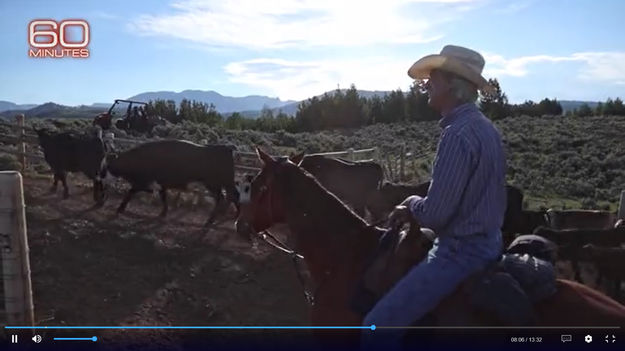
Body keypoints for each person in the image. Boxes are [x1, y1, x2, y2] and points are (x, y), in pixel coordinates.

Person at [362, 45, 507, 346]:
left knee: (376, 328)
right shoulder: (486, 129)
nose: (426, 84)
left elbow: (437, 215)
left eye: (434, 78)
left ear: (453, 86)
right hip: (490, 244)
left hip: (459, 253)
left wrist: (411, 203)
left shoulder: (456, 135)